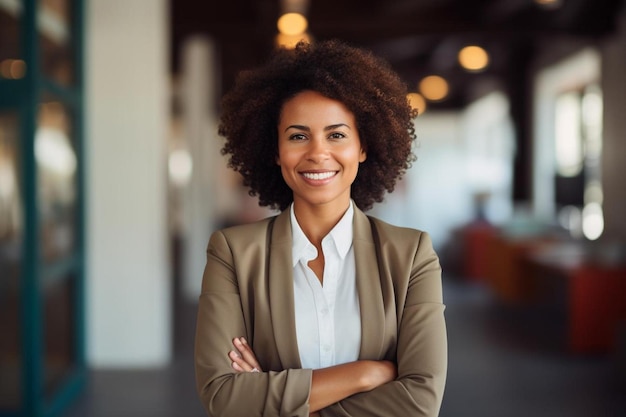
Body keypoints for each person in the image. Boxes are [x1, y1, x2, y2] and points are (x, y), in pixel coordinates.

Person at [194, 39, 447, 417]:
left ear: (363, 146)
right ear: (276, 151)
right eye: (298, 136)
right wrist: (365, 374)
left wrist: (280, 400)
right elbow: (223, 396)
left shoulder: (410, 256)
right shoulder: (234, 253)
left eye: (337, 134)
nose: (317, 152)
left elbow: (420, 401)